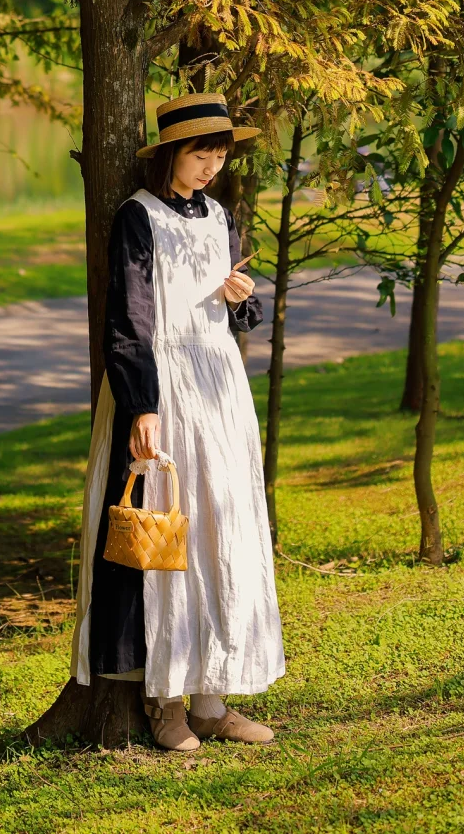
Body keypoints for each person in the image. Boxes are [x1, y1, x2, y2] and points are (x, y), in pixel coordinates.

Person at [70, 91, 284, 751]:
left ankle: (214, 700)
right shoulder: (138, 218)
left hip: (218, 387)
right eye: (201, 153)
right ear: (171, 153)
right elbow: (128, 319)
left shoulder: (220, 216)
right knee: (166, 540)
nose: (212, 165)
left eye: (219, 153)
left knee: (221, 531)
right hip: (163, 389)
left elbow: (232, 310)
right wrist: (142, 404)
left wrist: (242, 299)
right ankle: (163, 701)